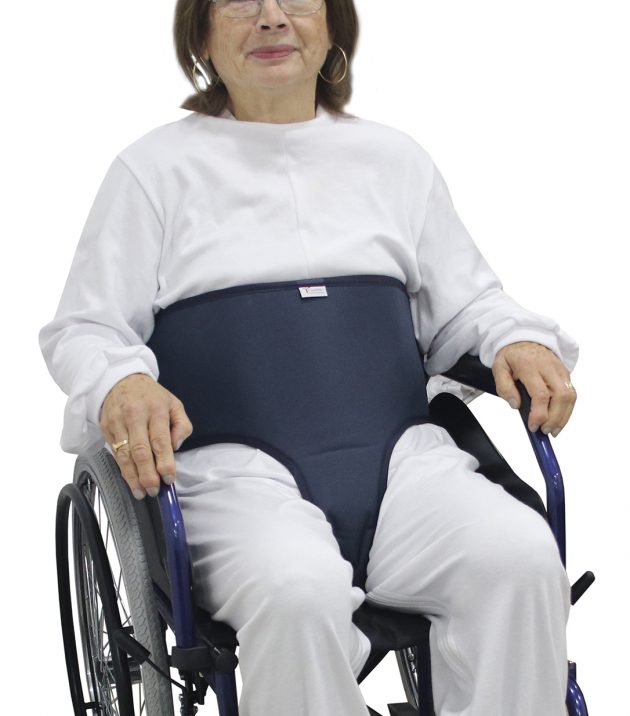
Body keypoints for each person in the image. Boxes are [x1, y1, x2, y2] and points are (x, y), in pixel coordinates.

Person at [39, 0, 579, 714]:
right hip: (233, 471)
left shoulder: (394, 161)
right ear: (201, 36)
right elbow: (86, 326)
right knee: (297, 591)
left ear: (332, 28)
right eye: (242, 2)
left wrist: (514, 337)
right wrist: (123, 382)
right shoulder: (153, 171)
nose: (272, 18)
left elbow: (468, 303)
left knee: (518, 559)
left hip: (400, 462)